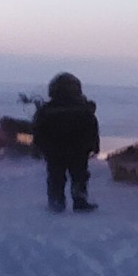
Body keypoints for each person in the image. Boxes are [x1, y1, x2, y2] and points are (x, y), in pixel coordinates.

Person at [31, 72, 100, 213]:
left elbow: (38, 130)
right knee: (79, 176)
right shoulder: (83, 109)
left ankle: (57, 202)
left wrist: (38, 146)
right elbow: (92, 128)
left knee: (56, 177)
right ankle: (79, 201)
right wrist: (94, 145)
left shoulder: (47, 110)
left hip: (55, 151)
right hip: (77, 150)